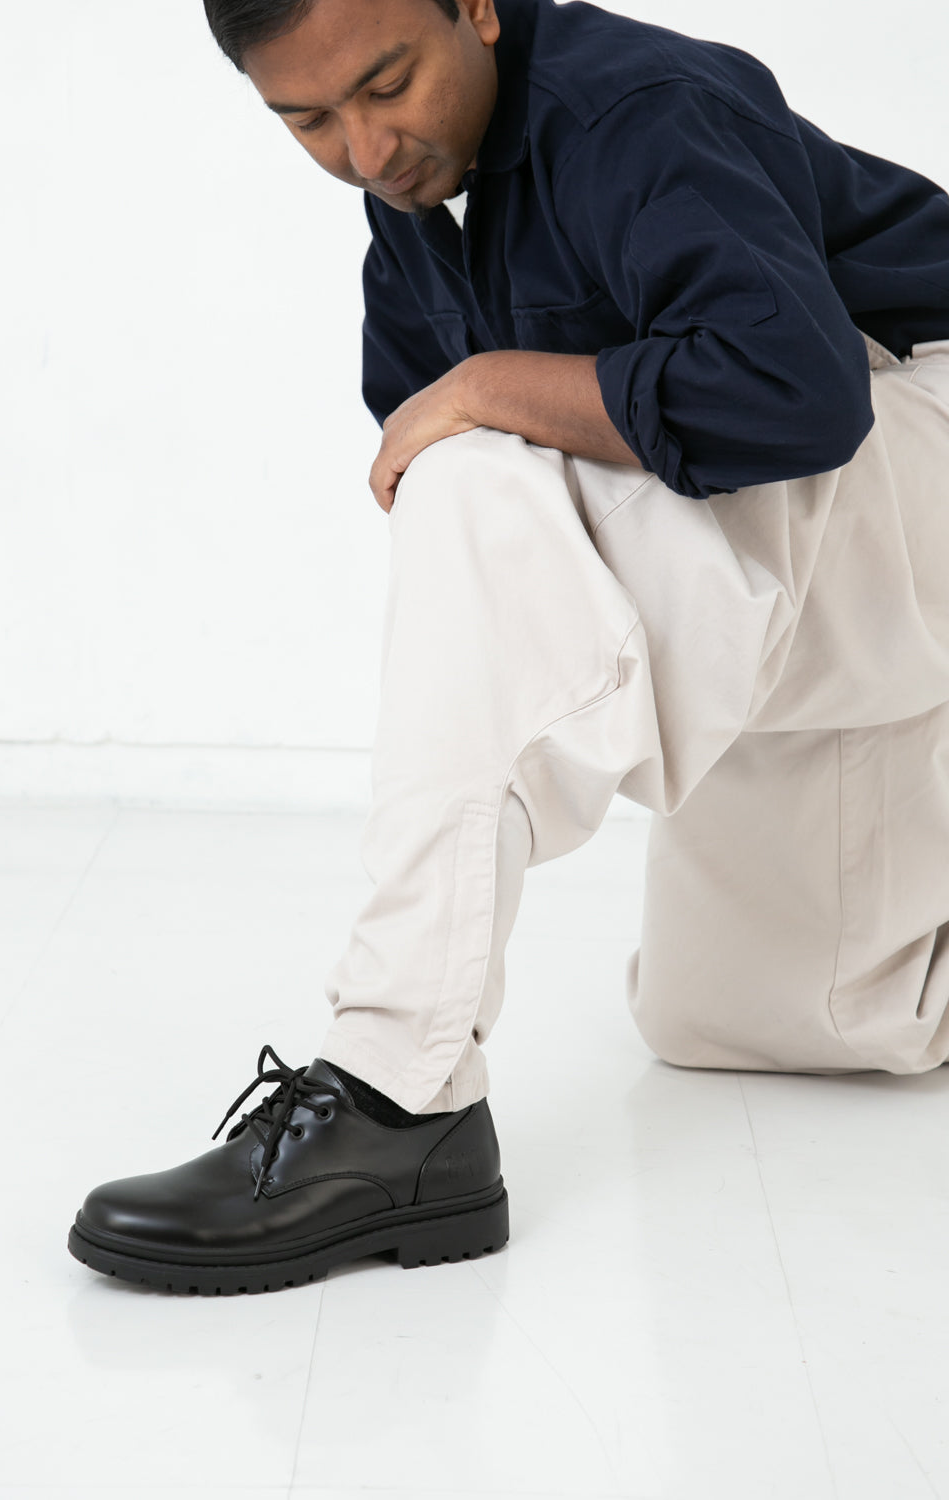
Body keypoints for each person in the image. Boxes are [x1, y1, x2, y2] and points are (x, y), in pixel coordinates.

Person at [68, 0, 949, 1295]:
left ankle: (398, 1094)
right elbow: (427, 446)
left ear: (477, 7)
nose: (366, 150)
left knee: (477, 478)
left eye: (387, 84)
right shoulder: (419, 188)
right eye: (308, 120)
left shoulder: (640, 111)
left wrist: (489, 391)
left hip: (908, 435)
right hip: (841, 554)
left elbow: (792, 393)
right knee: (747, 1021)